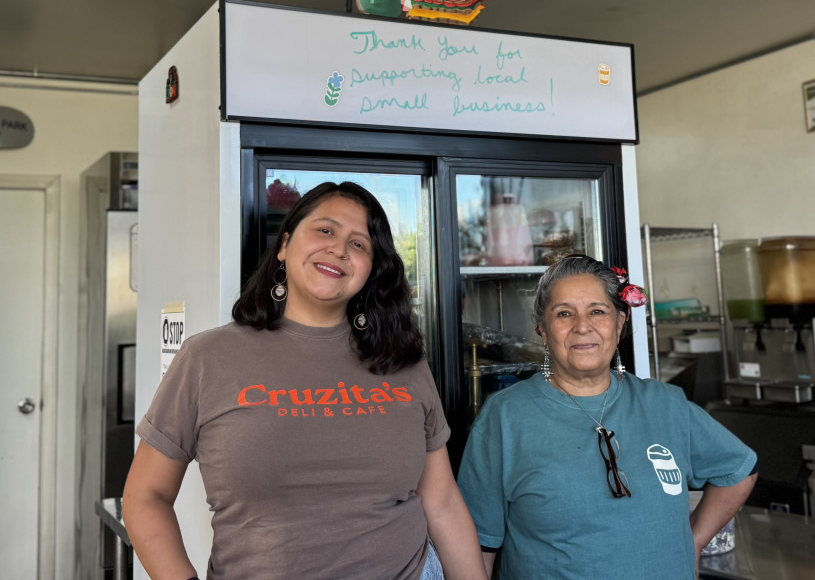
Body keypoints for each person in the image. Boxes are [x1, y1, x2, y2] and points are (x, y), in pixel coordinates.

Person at [123, 181, 488, 580]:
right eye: (325, 230)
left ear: (370, 271)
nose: (339, 249)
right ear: (284, 245)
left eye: (359, 244)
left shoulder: (403, 361)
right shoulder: (206, 358)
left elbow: (442, 502)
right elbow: (146, 497)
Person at [457, 254, 757, 580]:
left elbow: (738, 470)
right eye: (564, 313)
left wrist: (693, 542)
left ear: (619, 323)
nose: (582, 326)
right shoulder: (505, 418)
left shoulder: (666, 404)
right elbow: (476, 551)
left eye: (597, 311)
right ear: (542, 328)